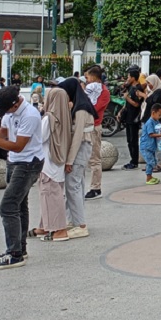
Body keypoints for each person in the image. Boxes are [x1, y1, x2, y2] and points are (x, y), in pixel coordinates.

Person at [0, 86, 44, 270]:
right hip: (13, 162)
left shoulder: (30, 115)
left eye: (5, 109)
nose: (3, 114)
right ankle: (20, 249)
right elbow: (3, 132)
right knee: (19, 205)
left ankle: (14, 254)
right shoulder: (9, 113)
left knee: (7, 206)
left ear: (15, 104)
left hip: (29, 163)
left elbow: (18, 146)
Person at [58, 77, 95, 238]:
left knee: (72, 185)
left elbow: (78, 136)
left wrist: (69, 160)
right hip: (81, 148)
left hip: (80, 149)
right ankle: (74, 220)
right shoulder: (80, 105)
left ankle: (80, 224)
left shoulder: (81, 109)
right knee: (76, 185)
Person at [35, 88, 70, 241]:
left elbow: (38, 138)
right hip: (59, 162)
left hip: (48, 163)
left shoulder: (48, 118)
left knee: (50, 196)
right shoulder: (66, 116)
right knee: (54, 196)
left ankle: (59, 230)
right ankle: (46, 226)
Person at [83, 65, 110, 200]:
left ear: (94, 77)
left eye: (88, 77)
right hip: (84, 125)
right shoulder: (90, 90)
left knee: (94, 158)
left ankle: (95, 188)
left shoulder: (103, 92)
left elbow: (95, 108)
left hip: (94, 126)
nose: (87, 80)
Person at [121, 67, 144, 169]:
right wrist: (121, 111)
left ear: (134, 78)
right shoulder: (130, 87)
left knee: (133, 141)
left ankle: (134, 162)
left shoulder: (138, 88)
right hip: (128, 117)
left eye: (129, 76)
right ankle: (132, 160)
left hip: (134, 118)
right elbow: (128, 103)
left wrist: (127, 98)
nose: (127, 78)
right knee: (129, 141)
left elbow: (136, 104)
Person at [140, 104, 161, 185]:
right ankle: (148, 178)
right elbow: (151, 134)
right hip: (146, 146)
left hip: (151, 146)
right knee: (150, 162)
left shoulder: (156, 121)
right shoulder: (149, 123)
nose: (160, 117)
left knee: (153, 161)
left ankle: (150, 176)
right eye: (159, 115)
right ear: (153, 113)